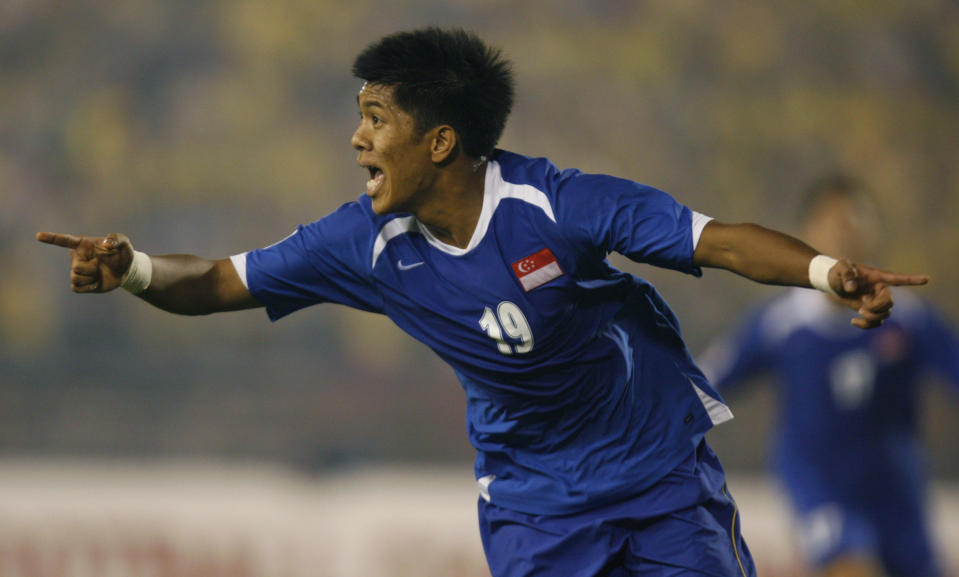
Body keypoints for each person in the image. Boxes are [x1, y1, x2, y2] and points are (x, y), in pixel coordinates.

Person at [37, 28, 929, 577]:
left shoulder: (557, 205)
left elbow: (716, 238)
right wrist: (137, 269)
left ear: (439, 139)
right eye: (358, 115)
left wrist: (824, 273)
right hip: (534, 498)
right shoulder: (365, 241)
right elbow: (226, 280)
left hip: (656, 469)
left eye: (375, 118)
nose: (356, 138)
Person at [698, 175, 958, 577]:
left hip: (897, 492)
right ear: (807, 235)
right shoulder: (781, 324)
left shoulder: (910, 320)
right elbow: (704, 384)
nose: (845, 236)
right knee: (852, 568)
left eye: (856, 222)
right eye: (833, 224)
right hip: (820, 488)